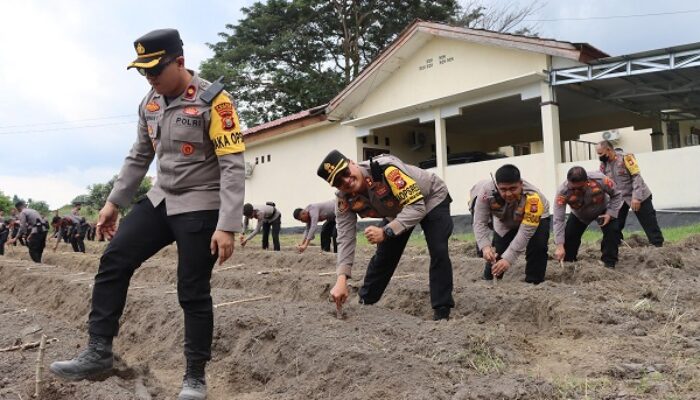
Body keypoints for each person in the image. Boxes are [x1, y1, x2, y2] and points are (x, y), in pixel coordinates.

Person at [49, 28, 246, 400]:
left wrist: (227, 225)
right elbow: (140, 155)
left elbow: (233, 166)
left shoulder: (215, 103)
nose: (150, 79)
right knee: (114, 260)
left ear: (181, 63)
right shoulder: (150, 103)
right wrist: (113, 203)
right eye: (144, 72)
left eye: (156, 70)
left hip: (201, 204)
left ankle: (194, 377)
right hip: (161, 199)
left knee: (192, 290)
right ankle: (98, 352)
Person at [318, 150, 455, 321]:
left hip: (431, 198)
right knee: (384, 255)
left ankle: (442, 311)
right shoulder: (344, 199)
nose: (346, 181)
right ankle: (365, 303)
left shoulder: (386, 170)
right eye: (339, 182)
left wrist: (386, 231)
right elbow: (345, 237)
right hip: (397, 210)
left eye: (345, 173)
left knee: (438, 248)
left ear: (352, 163)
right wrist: (341, 279)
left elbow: (416, 208)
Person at [472, 165, 551, 284]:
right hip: (505, 219)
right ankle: (489, 281)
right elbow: (479, 221)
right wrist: (485, 246)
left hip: (535, 219)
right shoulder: (486, 192)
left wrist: (509, 259)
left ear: (521, 184)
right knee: (497, 254)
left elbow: (525, 232)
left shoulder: (533, 197)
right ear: (497, 185)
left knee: (537, 246)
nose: (508, 194)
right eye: (503, 189)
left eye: (513, 188)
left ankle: (534, 282)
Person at [596, 140, 664, 247]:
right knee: (614, 225)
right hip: (620, 199)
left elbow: (636, 177)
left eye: (600, 153)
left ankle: (657, 246)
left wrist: (636, 198)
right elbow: (603, 182)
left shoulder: (627, 157)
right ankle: (618, 246)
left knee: (649, 223)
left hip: (639, 195)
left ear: (608, 150)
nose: (599, 156)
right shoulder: (603, 165)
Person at [553, 167, 623, 269]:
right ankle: (570, 264)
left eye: (580, 188)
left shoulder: (600, 180)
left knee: (613, 231)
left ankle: (609, 263)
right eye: (573, 188)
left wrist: (610, 213)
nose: (576, 191)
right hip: (579, 215)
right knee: (569, 237)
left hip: (603, 210)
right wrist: (559, 245)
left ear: (587, 182)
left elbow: (616, 194)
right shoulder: (562, 192)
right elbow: (558, 219)